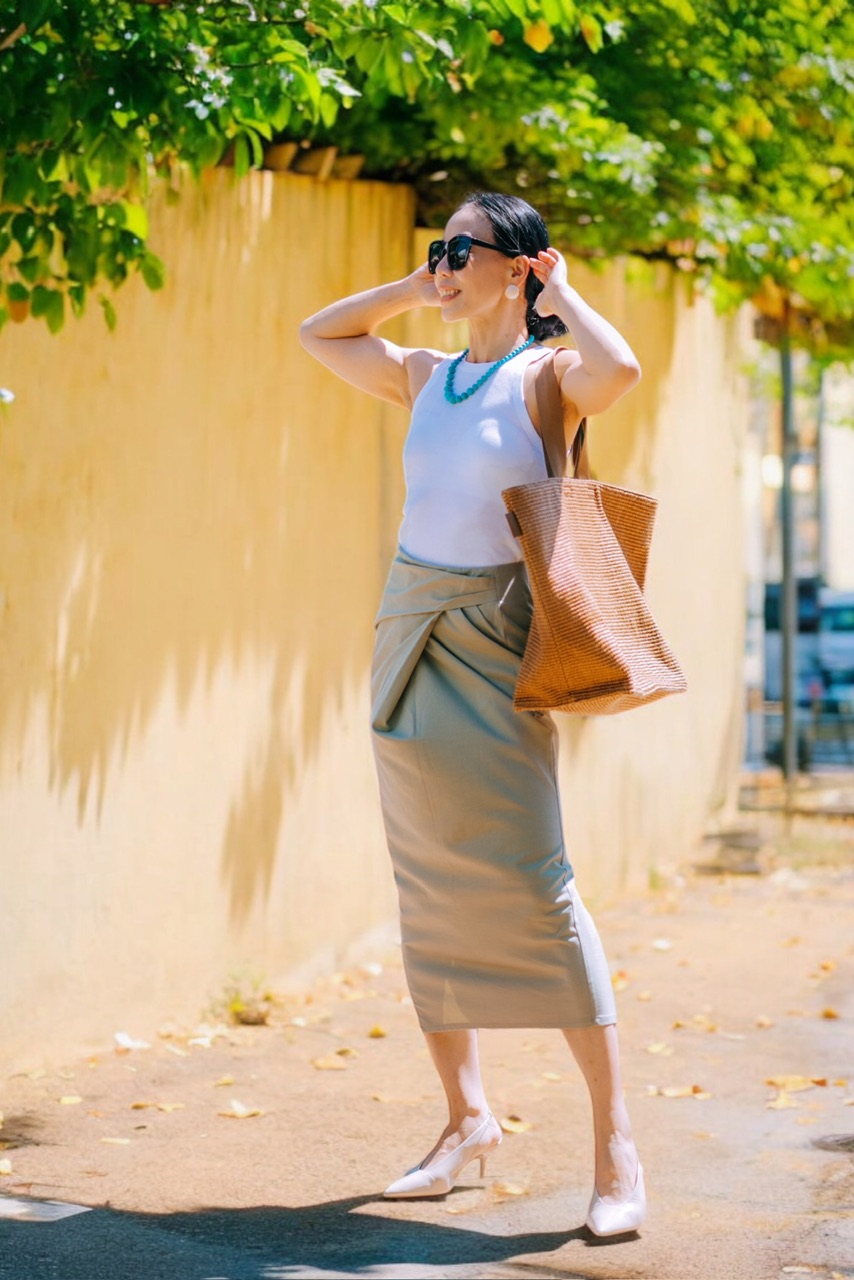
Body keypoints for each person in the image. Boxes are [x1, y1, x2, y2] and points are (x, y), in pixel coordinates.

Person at [299, 191, 645, 1237]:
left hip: (494, 639)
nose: (445, 263)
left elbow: (617, 370)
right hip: (408, 631)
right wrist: (413, 285)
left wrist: (562, 293)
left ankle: (614, 1139)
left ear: (517, 265)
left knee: (538, 882)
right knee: (426, 878)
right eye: (436, 246)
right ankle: (465, 1121)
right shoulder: (424, 374)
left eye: (461, 250)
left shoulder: (547, 380)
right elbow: (321, 333)